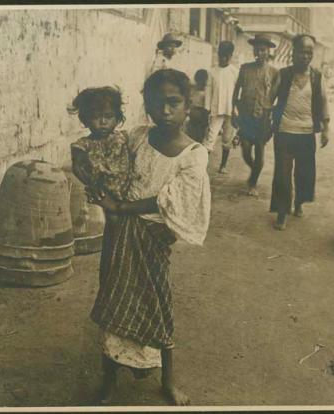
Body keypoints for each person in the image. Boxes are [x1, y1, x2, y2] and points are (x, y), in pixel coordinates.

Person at [85, 69, 211, 406]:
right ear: (147, 106)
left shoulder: (193, 154)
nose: (165, 111)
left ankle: (168, 381)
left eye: (174, 103)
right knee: (113, 298)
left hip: (153, 237)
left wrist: (122, 206)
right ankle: (108, 381)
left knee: (158, 304)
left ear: (189, 105)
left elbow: (170, 200)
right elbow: (109, 163)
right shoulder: (138, 137)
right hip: (119, 234)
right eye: (157, 104)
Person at [270, 34, 330, 230]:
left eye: (309, 52)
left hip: (306, 133)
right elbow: (270, 99)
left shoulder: (317, 76)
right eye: (302, 52)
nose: (305, 56)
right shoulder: (283, 74)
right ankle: (281, 212)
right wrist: (264, 119)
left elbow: (323, 102)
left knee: (304, 173)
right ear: (293, 53)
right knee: (282, 174)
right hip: (284, 132)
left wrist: (326, 128)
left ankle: (298, 204)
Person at [232, 34, 280, 196]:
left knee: (260, 149)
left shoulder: (274, 73)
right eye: (257, 50)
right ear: (253, 51)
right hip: (246, 116)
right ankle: (255, 170)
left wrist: (275, 116)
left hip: (263, 118)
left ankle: (253, 182)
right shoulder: (245, 68)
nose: (260, 53)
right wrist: (233, 109)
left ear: (268, 52)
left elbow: (278, 97)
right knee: (245, 149)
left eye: (263, 50)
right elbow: (236, 90)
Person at [69, 86, 132, 202]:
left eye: (108, 116)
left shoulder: (123, 138)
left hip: (127, 192)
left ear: (117, 118)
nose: (103, 122)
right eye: (96, 117)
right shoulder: (83, 145)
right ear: (86, 120)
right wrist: (91, 184)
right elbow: (77, 167)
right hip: (101, 193)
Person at [204, 41, 239, 173]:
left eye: (226, 56)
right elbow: (208, 91)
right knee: (210, 137)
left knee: (227, 139)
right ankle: (202, 166)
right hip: (216, 109)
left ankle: (223, 165)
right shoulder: (212, 72)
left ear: (230, 56)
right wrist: (207, 108)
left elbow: (238, 93)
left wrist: (237, 110)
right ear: (218, 55)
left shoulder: (235, 72)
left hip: (231, 110)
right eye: (221, 55)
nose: (223, 58)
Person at [186, 69, 209, 143]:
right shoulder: (195, 89)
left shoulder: (204, 91)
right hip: (197, 113)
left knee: (196, 134)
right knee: (196, 134)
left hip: (200, 113)